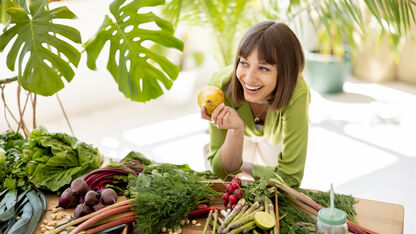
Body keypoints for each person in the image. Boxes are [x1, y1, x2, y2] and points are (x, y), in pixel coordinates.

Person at [200, 21, 310, 188]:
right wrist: (235, 130)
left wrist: (247, 167)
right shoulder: (220, 88)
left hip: (274, 137)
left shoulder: (297, 93)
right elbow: (222, 172)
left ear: (286, 73)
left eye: (264, 68)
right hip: (242, 134)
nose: (249, 78)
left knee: (276, 190)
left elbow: (290, 179)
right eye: (244, 63)